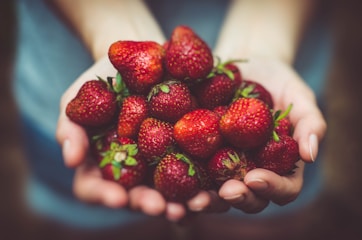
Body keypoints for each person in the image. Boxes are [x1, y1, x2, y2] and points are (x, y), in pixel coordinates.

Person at [13, 0, 329, 234]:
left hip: (286, 35)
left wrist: (265, 44)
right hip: (63, 66)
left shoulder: (224, 115)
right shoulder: (156, 113)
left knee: (258, 229)